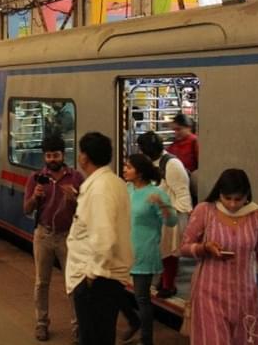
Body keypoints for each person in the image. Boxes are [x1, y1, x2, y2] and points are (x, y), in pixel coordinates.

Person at [180, 169, 258, 345]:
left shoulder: (256, 215)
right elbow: (184, 247)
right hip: (209, 294)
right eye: (227, 198)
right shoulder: (205, 211)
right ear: (219, 193)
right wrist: (204, 248)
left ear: (247, 195)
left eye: (238, 199)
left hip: (245, 295)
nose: (232, 204)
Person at [65, 132, 132, 345]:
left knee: (94, 338)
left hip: (97, 279)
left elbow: (104, 238)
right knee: (102, 336)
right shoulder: (114, 182)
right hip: (104, 277)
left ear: (84, 157)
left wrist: (91, 276)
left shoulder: (99, 189)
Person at [23, 136, 83, 342]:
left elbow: (85, 211)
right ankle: (41, 323)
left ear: (63, 155)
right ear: (44, 157)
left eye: (55, 155)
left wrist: (74, 200)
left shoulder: (75, 178)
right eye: (48, 156)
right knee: (41, 282)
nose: (52, 159)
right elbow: (26, 209)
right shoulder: (36, 178)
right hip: (43, 235)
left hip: (68, 236)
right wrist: (35, 197)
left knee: (73, 283)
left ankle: (78, 326)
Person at [120, 154, 177, 345]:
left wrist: (163, 206)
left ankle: (146, 339)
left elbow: (171, 221)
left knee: (142, 297)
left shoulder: (157, 193)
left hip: (145, 250)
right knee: (115, 290)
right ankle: (134, 321)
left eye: (128, 167)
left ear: (140, 172)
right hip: (124, 249)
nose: (125, 169)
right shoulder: (126, 190)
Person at [137, 131, 192, 298]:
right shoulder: (155, 163)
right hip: (159, 215)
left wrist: (178, 218)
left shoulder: (172, 164)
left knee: (168, 252)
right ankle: (164, 280)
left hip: (171, 216)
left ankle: (168, 284)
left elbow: (182, 194)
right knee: (162, 251)